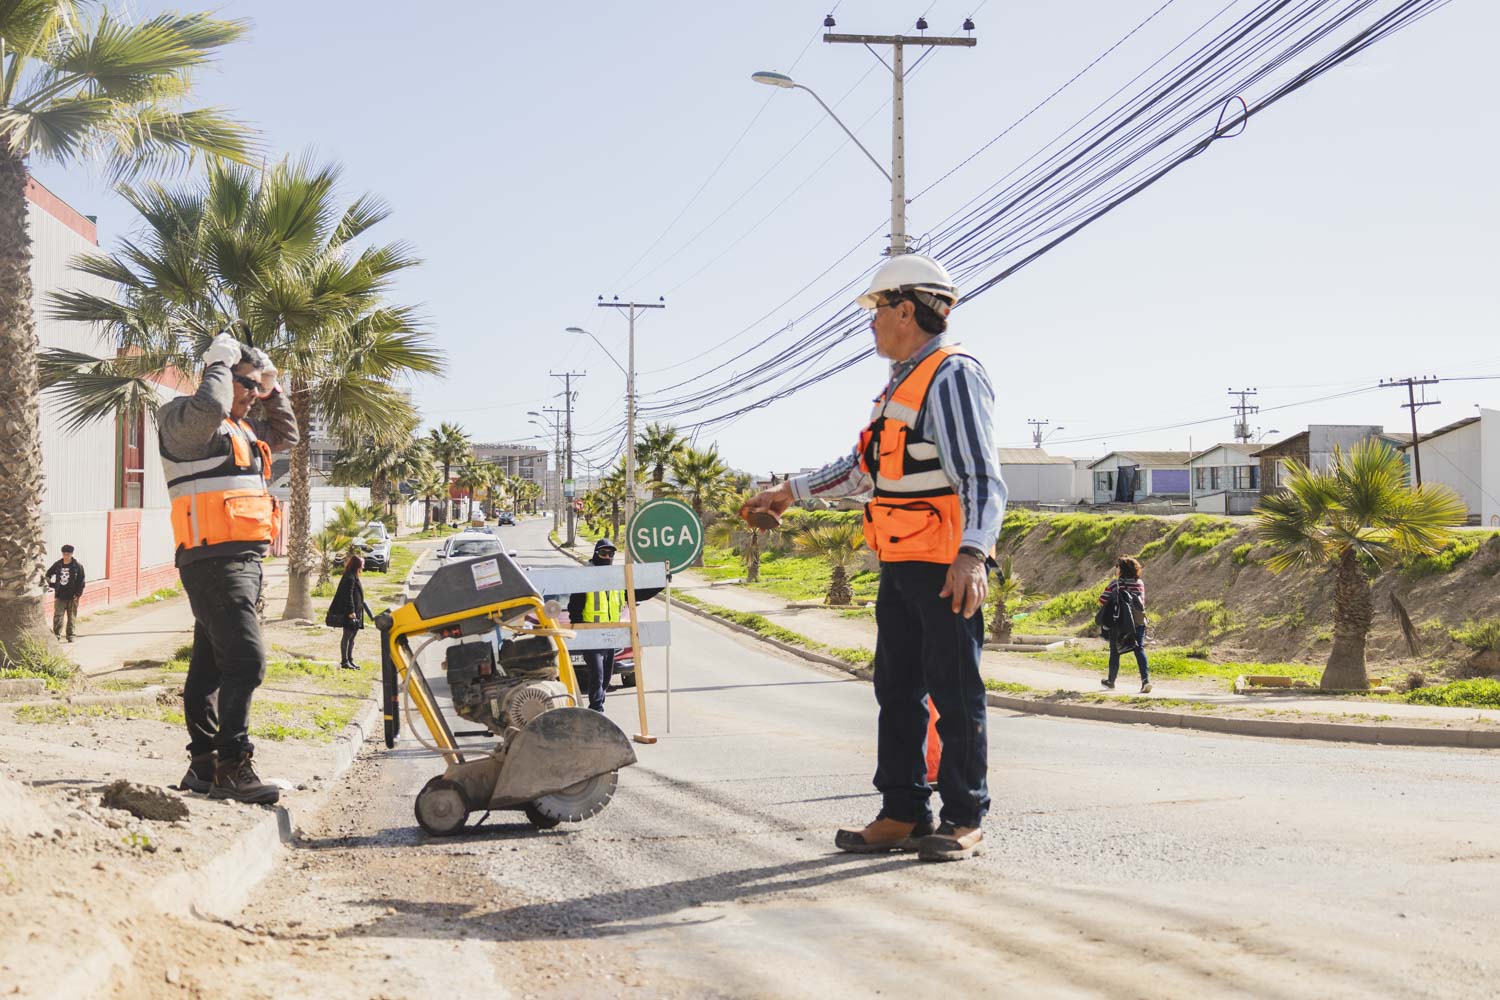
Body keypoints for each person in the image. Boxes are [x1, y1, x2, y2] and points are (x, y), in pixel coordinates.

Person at [745, 254, 1005, 863]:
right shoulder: (898, 387)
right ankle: (903, 810)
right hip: (902, 563)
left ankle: (964, 815)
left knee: (954, 692)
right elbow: (864, 471)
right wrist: (791, 492)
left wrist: (972, 555)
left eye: (877, 310)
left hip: (946, 564)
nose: (871, 324)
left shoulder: (952, 375)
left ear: (907, 310)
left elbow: (981, 478)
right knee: (897, 690)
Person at [158, 330, 297, 804]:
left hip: (241, 562)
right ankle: (233, 768)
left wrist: (272, 384)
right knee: (246, 661)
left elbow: (289, 435)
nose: (252, 394)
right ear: (217, 375)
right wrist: (220, 363)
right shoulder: (186, 421)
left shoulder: (245, 430)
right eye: (246, 384)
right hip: (215, 562)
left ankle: (202, 767)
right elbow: (210, 407)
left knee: (209, 670)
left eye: (258, 388)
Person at [567, 539, 623, 711]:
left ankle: (598, 705)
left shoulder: (615, 578)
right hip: (591, 635)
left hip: (610, 636)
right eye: (603, 553)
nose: (607, 557)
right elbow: (574, 606)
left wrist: (661, 582)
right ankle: (596, 710)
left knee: (606, 677)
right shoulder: (586, 576)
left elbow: (635, 594)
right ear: (595, 554)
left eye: (611, 554)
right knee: (597, 675)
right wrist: (581, 631)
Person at [1098, 556, 1151, 693]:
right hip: (1138, 621)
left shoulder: (1115, 584)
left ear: (1121, 570)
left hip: (1120, 623)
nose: (1115, 569)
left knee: (1115, 651)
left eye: (1117, 567)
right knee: (1139, 649)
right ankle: (1145, 681)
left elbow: (1102, 600)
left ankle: (1111, 681)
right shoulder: (1139, 583)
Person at [326, 553, 374, 670]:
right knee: (347, 636)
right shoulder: (349, 577)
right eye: (362, 564)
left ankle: (350, 659)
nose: (363, 566)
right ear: (357, 565)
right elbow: (348, 596)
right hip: (350, 613)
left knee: (352, 637)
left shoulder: (354, 576)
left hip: (357, 612)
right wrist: (351, 612)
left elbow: (359, 596)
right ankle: (344, 661)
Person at [45, 544, 87, 642]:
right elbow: (48, 574)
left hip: (73, 596)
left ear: (72, 554)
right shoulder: (58, 564)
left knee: (71, 617)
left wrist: (78, 594)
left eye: (68, 553)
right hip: (60, 595)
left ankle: (71, 635)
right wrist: (51, 584)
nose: (66, 555)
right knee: (58, 616)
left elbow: (82, 581)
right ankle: (56, 636)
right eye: (64, 553)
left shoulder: (77, 566)